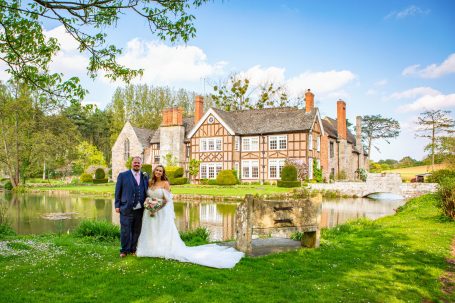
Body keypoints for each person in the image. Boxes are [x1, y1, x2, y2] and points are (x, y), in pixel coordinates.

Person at [136, 165, 244, 268]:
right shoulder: (150, 182)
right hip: (149, 212)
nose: (158, 172)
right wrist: (149, 204)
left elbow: (167, 200)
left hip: (161, 211)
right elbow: (147, 195)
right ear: (154, 171)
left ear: (163, 173)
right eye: (157, 170)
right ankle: (151, 248)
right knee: (151, 230)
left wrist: (156, 208)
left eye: (160, 171)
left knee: (161, 230)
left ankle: (161, 249)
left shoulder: (165, 183)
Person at [115, 156, 149, 258]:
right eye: (135, 162)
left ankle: (133, 249)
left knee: (136, 230)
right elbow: (117, 191)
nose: (136, 164)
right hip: (126, 207)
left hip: (139, 209)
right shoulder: (123, 175)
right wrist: (117, 205)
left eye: (138, 163)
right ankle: (124, 250)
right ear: (131, 163)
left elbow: (146, 190)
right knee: (125, 230)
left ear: (141, 164)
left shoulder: (145, 176)